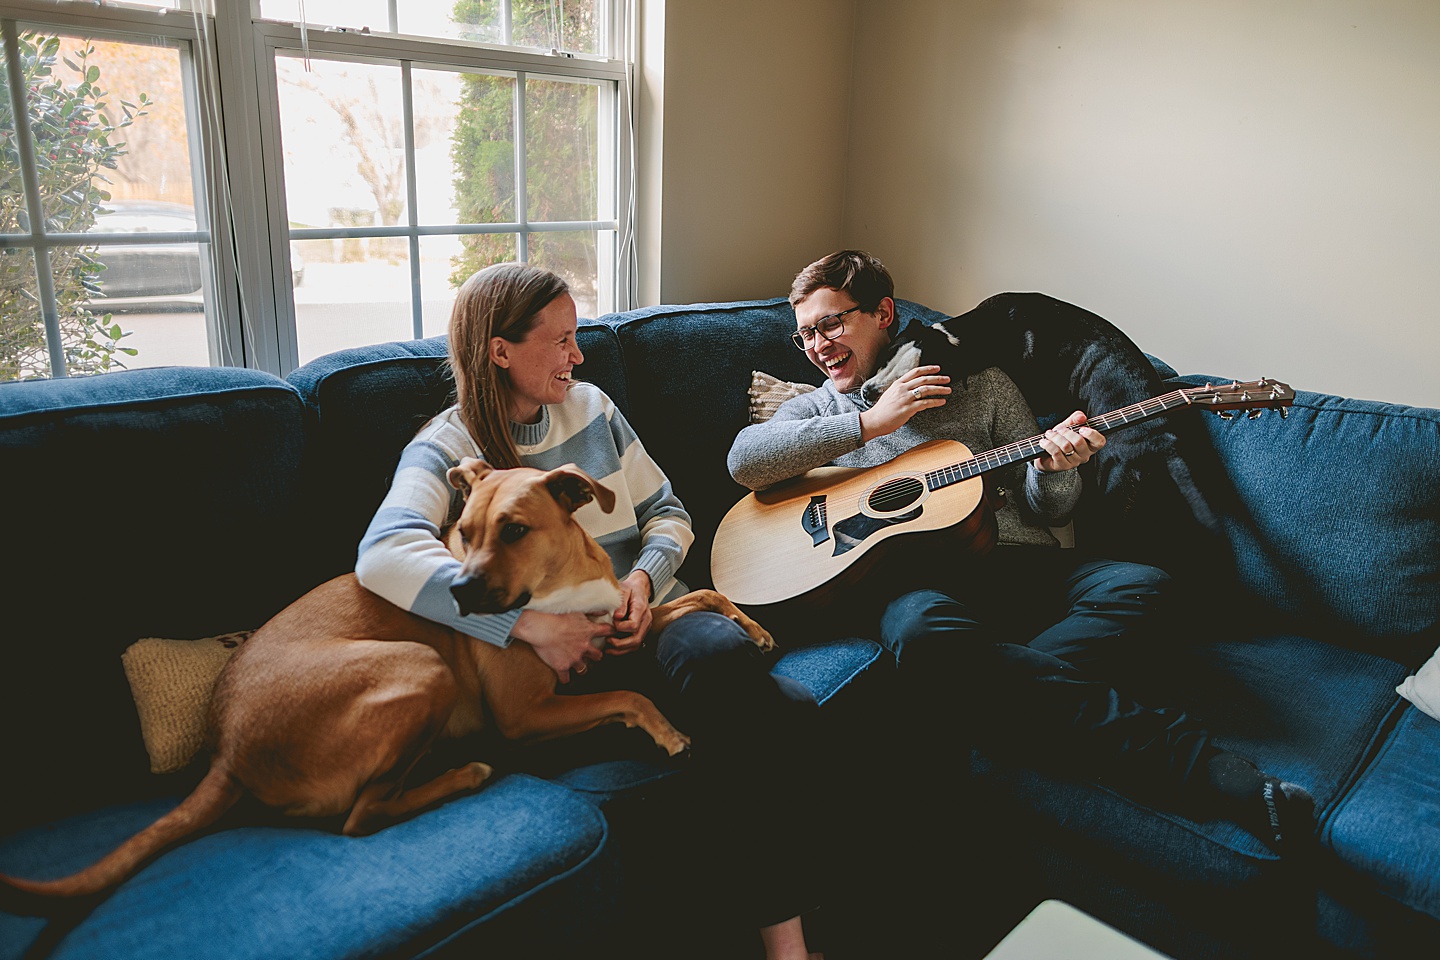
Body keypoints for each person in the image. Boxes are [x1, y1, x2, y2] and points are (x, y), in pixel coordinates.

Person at [726, 249, 1313, 852]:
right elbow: (745, 460)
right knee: (921, 630)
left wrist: (1057, 468)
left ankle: (980, 697)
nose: (818, 345)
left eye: (830, 324)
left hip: (1016, 563)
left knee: (1143, 586)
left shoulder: (980, 384)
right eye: (805, 335)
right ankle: (1209, 772)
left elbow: (1050, 510)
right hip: (922, 589)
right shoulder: (817, 408)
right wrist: (872, 424)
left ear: (882, 313)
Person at [356, 262, 824, 960]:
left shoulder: (593, 407)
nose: (578, 356)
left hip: (641, 610)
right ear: (499, 349)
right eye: (562, 340)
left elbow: (669, 512)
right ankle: (786, 947)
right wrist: (524, 625)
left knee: (751, 683)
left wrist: (641, 580)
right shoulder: (446, 447)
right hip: (553, 661)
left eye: (578, 338)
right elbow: (382, 555)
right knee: (774, 711)